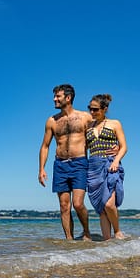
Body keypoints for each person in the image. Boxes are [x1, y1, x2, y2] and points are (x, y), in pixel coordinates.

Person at [38, 84, 92, 240]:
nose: (54, 99)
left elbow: (98, 135)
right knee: (64, 206)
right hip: (60, 165)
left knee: (78, 203)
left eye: (58, 96)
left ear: (68, 98)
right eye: (54, 96)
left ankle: (87, 232)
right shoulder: (52, 121)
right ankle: (69, 240)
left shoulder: (85, 117)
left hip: (79, 163)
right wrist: (41, 169)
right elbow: (45, 146)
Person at [86, 94, 127, 240]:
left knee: (109, 204)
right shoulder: (88, 126)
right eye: (90, 109)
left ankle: (117, 231)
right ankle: (107, 243)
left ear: (105, 109)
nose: (92, 112)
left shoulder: (115, 123)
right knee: (102, 208)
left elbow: (124, 147)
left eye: (95, 109)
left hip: (110, 165)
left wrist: (116, 161)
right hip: (93, 167)